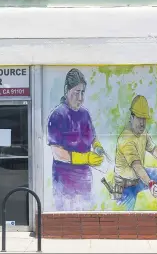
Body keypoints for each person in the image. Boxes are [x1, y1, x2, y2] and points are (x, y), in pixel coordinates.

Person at [47, 68, 109, 211]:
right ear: (66, 90)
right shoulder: (57, 116)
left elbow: (93, 137)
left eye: (82, 92)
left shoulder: (85, 114)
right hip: (64, 183)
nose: (80, 97)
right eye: (76, 92)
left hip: (85, 181)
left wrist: (98, 147)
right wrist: (85, 158)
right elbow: (56, 152)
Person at [113, 95, 157, 211]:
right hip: (125, 187)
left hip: (138, 179)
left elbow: (152, 148)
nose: (142, 123)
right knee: (126, 220)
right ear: (132, 117)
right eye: (139, 118)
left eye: (144, 119)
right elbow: (137, 166)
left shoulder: (143, 133)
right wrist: (150, 183)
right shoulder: (126, 139)